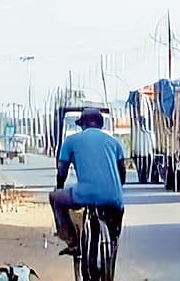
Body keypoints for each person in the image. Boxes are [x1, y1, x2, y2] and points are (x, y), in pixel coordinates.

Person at [50, 109, 124, 257]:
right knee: (117, 212)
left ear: (83, 125)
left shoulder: (70, 141)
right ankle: (114, 238)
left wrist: (59, 187)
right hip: (113, 197)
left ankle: (72, 242)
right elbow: (122, 173)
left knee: (55, 197)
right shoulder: (115, 143)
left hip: (84, 194)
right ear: (101, 125)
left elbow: (62, 171)